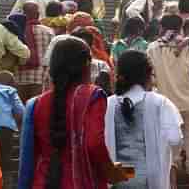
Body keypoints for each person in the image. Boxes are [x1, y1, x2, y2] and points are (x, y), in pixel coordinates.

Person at [17, 36, 129, 189]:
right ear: (87, 65)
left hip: (43, 182)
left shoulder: (35, 104)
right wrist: (111, 172)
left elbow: (28, 159)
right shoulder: (92, 96)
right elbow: (94, 143)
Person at [147, 14, 189, 189]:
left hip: (166, 104)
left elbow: (150, 80)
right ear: (180, 27)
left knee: (169, 146)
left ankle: (173, 184)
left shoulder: (153, 48)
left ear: (162, 27)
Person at [105, 50, 184, 189]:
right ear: (147, 75)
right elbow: (175, 138)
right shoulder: (159, 103)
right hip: (148, 179)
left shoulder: (108, 104)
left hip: (117, 179)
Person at [17, 1, 54, 102]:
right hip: (40, 78)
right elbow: (52, 56)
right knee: (35, 111)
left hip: (19, 78)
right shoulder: (48, 32)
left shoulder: (16, 31)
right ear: (37, 15)